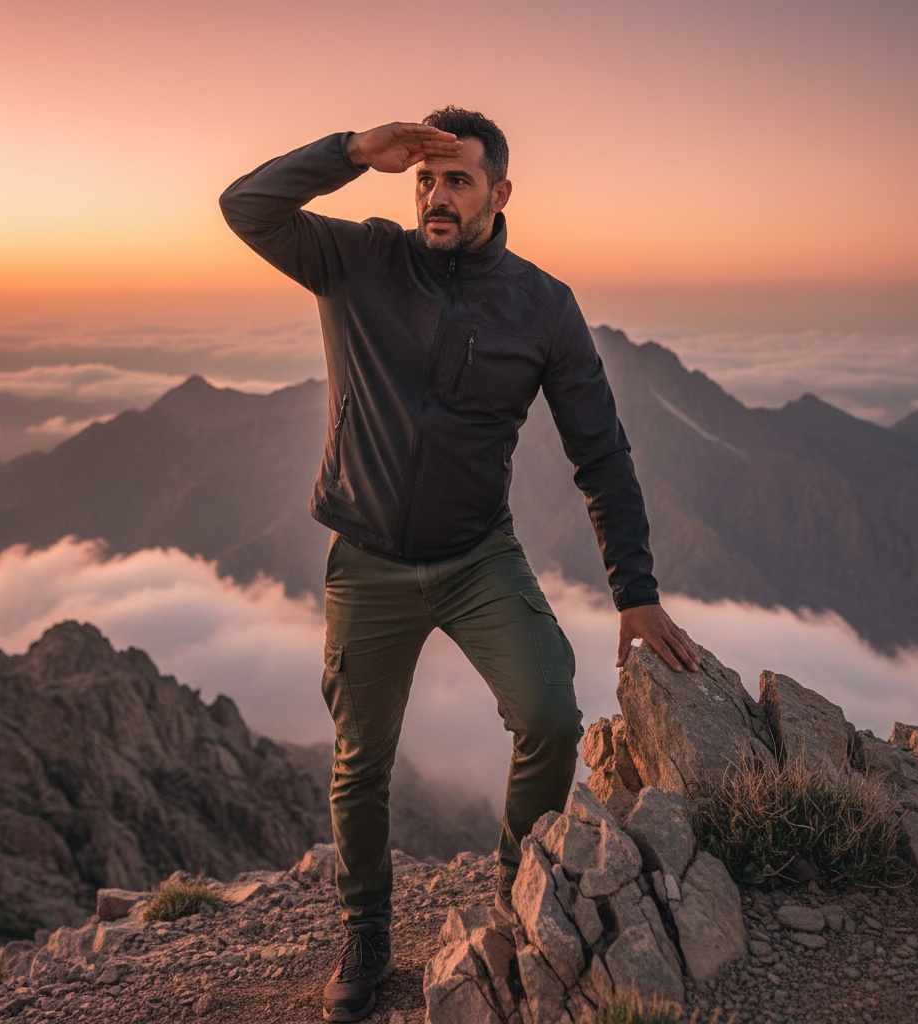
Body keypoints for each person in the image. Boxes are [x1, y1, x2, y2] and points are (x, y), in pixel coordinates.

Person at [220, 107, 699, 1022]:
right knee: (362, 760)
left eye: (459, 181)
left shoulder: (541, 305)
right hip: (366, 561)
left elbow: (600, 451)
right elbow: (246, 206)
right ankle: (366, 932)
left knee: (551, 715)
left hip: (480, 556)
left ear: (501, 194)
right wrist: (355, 152)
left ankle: (522, 893)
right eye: (426, 181)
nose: (437, 197)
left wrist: (636, 595)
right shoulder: (360, 258)